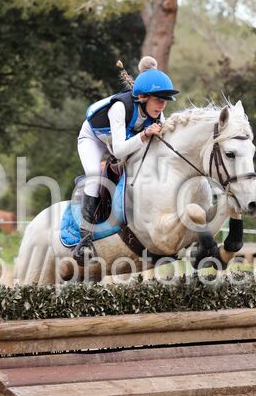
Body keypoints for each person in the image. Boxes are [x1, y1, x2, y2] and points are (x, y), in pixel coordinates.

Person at [73, 56, 179, 262]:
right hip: (93, 138)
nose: (162, 106)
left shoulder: (158, 115)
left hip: (120, 140)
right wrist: (145, 134)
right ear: (144, 98)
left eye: (165, 101)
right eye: (158, 100)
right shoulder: (120, 107)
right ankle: (84, 238)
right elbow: (120, 151)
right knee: (94, 176)